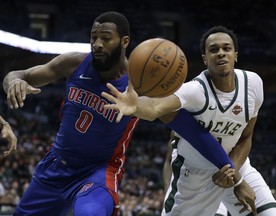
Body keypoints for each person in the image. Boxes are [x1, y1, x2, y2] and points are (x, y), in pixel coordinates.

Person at [2, 12, 236, 216]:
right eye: (94, 37)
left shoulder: (141, 85)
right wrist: (13, 82)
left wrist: (225, 164)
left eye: (106, 38)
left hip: (99, 171)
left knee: (90, 213)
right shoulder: (74, 63)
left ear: (124, 41)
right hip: (56, 164)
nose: (97, 44)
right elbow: (18, 73)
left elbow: (188, 127)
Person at [102, 25, 276, 215]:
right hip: (195, 175)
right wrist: (136, 106)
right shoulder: (195, 91)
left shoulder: (253, 84)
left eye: (226, 48)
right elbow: (155, 107)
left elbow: (245, 137)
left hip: (236, 165)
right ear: (205, 59)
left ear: (235, 55)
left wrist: (233, 174)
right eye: (214, 50)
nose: (221, 53)